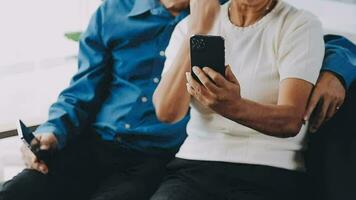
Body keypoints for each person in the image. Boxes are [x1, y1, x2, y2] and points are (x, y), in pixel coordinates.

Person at [0, 0, 354, 200]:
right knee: (18, 192)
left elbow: (321, 38)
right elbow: (81, 90)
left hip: (154, 158)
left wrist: (337, 71)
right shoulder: (114, 13)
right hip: (97, 144)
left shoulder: (220, 12)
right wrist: (52, 131)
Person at [152, 0, 355, 200]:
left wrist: (233, 106)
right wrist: (197, 29)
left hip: (270, 169)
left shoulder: (299, 24)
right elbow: (167, 112)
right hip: (194, 165)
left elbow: (291, 121)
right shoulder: (189, 26)